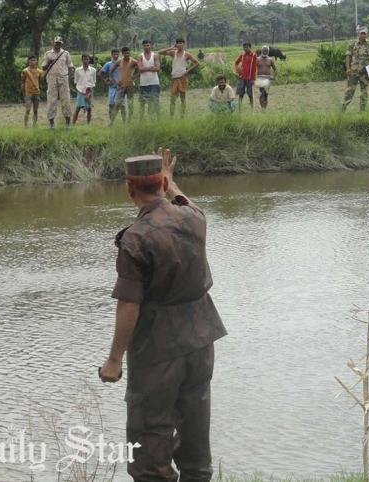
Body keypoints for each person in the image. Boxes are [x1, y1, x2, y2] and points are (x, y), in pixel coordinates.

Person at [99, 148, 227, 482]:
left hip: (158, 349)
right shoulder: (194, 218)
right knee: (195, 431)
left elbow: (129, 304)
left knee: (148, 447)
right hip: (201, 338)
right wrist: (171, 185)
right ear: (162, 181)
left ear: (130, 189)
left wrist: (114, 360)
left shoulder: (136, 238)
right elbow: (185, 200)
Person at [158, 39, 199, 118]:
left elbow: (197, 63)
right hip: (174, 78)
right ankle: (171, 117)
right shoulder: (173, 52)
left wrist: (188, 71)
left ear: (184, 44)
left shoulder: (187, 54)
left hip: (182, 78)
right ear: (176, 44)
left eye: (181, 43)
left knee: (183, 99)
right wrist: (171, 47)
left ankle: (182, 116)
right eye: (178, 43)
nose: (179, 45)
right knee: (172, 99)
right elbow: (160, 52)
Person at [42, 36, 74, 129]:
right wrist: (49, 62)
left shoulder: (66, 53)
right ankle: (51, 124)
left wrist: (71, 73)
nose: (58, 45)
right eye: (56, 43)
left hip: (63, 78)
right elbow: (43, 67)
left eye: (59, 43)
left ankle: (68, 124)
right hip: (51, 79)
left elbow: (70, 65)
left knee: (66, 100)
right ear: (53, 43)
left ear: (61, 44)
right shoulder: (48, 54)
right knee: (51, 101)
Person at [343, 26, 369, 112]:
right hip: (354, 71)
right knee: (349, 91)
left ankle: (362, 111)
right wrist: (348, 68)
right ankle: (343, 109)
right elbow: (348, 56)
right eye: (362, 33)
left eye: (365, 33)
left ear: (367, 34)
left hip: (365, 72)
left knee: (364, 92)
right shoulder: (352, 44)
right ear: (358, 34)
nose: (363, 35)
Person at [110, 47, 139, 122]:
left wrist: (135, 76)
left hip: (130, 86)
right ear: (122, 54)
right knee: (117, 104)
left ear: (130, 53)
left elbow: (140, 69)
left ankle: (129, 122)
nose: (127, 54)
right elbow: (111, 72)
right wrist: (115, 82)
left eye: (128, 53)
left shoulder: (133, 61)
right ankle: (111, 123)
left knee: (130, 104)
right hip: (121, 86)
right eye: (125, 53)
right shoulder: (119, 61)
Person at [137, 40, 161, 119]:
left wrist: (145, 68)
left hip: (154, 82)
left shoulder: (155, 55)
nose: (146, 47)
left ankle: (158, 119)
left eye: (148, 45)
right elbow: (140, 69)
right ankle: (141, 120)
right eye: (145, 45)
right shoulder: (140, 56)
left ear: (151, 45)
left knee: (155, 101)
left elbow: (157, 68)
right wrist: (151, 68)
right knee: (142, 103)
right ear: (142, 46)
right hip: (143, 83)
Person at [98, 49, 123, 125]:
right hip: (112, 87)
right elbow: (100, 73)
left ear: (119, 54)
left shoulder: (122, 62)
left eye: (117, 54)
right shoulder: (108, 64)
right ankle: (111, 123)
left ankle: (125, 123)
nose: (115, 55)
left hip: (122, 88)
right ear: (111, 55)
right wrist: (105, 81)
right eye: (114, 54)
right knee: (111, 105)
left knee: (122, 106)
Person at [233, 42, 257, 111]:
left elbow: (254, 68)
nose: (245, 49)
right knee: (241, 94)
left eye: (247, 47)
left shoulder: (253, 55)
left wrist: (253, 78)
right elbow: (236, 62)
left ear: (250, 47)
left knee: (250, 95)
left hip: (250, 79)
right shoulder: (242, 55)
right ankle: (239, 109)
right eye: (244, 47)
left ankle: (252, 109)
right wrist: (237, 71)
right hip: (242, 78)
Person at [73, 54, 96, 125]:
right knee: (77, 108)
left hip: (89, 92)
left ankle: (88, 124)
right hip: (80, 92)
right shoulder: (77, 70)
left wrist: (89, 93)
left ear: (89, 60)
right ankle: (73, 124)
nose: (86, 61)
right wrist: (80, 90)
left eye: (87, 59)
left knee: (89, 109)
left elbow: (93, 82)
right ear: (82, 60)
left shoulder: (93, 70)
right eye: (84, 59)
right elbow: (76, 81)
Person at [21, 55, 44, 128]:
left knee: (35, 110)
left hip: (36, 93)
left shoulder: (40, 71)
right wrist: (23, 93)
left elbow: (40, 81)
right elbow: (22, 82)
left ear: (36, 61)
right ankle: (25, 126)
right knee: (27, 109)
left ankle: (34, 125)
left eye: (34, 60)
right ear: (28, 61)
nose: (33, 62)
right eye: (31, 60)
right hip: (28, 93)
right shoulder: (25, 71)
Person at [255, 46, 277, 111]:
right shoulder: (257, 59)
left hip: (268, 79)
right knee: (262, 93)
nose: (265, 51)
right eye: (264, 50)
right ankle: (262, 108)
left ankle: (265, 108)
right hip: (260, 78)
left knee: (266, 94)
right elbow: (252, 68)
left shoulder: (270, 60)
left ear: (268, 52)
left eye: (266, 50)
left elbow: (275, 69)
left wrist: (273, 76)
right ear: (261, 51)